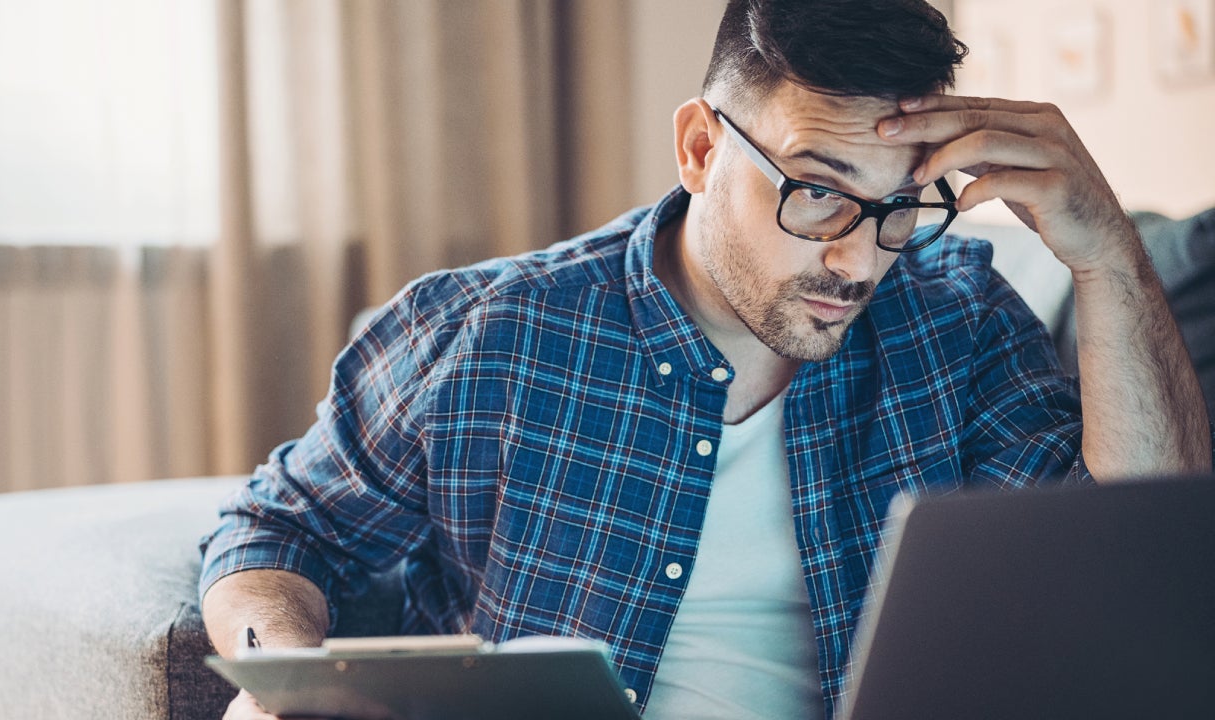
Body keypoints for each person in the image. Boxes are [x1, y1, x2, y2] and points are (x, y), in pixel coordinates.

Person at [199, 1, 1213, 718]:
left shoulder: (957, 323)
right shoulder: (487, 330)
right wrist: (277, 679)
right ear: (697, 150)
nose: (856, 259)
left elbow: (1144, 572)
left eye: (899, 204)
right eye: (814, 190)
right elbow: (279, 531)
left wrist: (1107, 255)